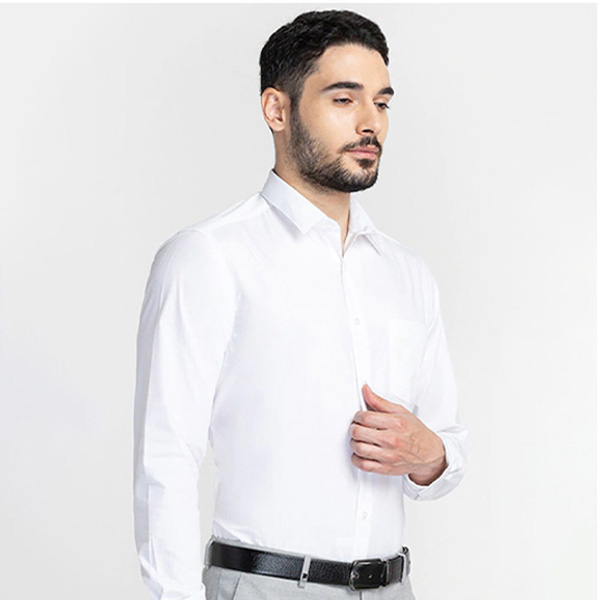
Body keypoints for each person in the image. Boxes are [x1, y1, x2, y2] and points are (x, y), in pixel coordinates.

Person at [133, 9, 468, 600]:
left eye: (382, 103)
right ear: (277, 110)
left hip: (394, 587)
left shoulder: (407, 273)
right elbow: (166, 458)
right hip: (266, 586)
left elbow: (442, 453)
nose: (371, 123)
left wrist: (429, 453)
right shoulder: (209, 257)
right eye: (344, 99)